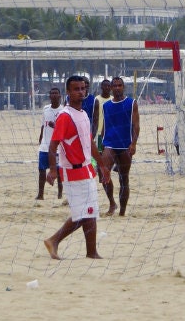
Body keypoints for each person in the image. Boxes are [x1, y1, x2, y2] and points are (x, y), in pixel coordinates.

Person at [43, 75, 104, 260]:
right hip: (72, 171)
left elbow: (90, 142)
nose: (80, 92)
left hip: (86, 168)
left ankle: (91, 252)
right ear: (68, 92)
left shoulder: (84, 114)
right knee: (84, 213)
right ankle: (54, 240)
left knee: (90, 211)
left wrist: (102, 165)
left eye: (83, 88)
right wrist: (53, 170)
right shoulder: (65, 116)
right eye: (76, 89)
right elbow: (53, 145)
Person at [98, 76, 140, 215]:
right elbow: (105, 126)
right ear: (110, 88)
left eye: (119, 85)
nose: (117, 88)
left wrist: (133, 143)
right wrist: (100, 145)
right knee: (103, 173)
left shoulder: (131, 103)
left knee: (124, 178)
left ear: (123, 87)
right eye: (114, 85)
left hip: (125, 144)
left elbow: (136, 125)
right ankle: (112, 203)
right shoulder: (106, 105)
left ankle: (122, 211)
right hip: (109, 143)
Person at [36, 85, 64, 201]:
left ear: (60, 96)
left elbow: (65, 129)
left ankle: (60, 193)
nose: (53, 95)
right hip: (44, 145)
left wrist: (56, 126)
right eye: (52, 93)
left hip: (57, 147)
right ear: (49, 96)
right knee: (42, 170)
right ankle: (41, 194)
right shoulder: (46, 109)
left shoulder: (63, 111)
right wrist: (41, 136)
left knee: (58, 170)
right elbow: (44, 124)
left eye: (56, 93)